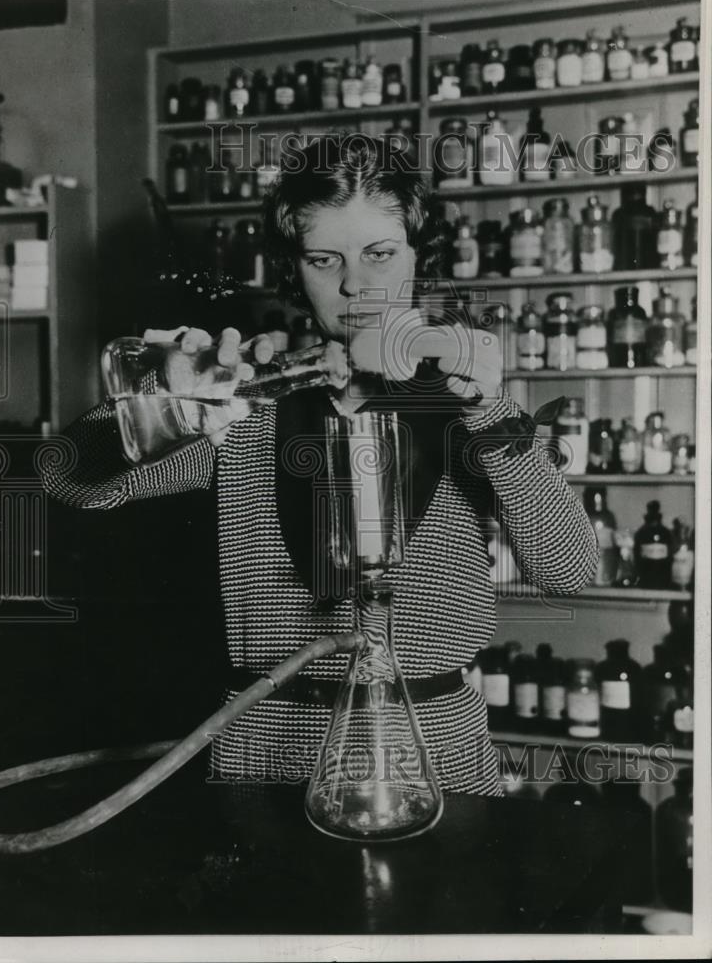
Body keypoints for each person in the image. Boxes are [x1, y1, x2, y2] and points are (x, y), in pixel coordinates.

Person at [43, 135, 597, 795]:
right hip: (266, 752)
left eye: (380, 253)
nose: (355, 283)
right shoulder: (247, 401)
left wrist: (490, 412)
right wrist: (167, 401)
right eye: (324, 258)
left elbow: (570, 571)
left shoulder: (470, 406)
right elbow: (67, 478)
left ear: (421, 256)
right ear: (294, 268)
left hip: (433, 749)